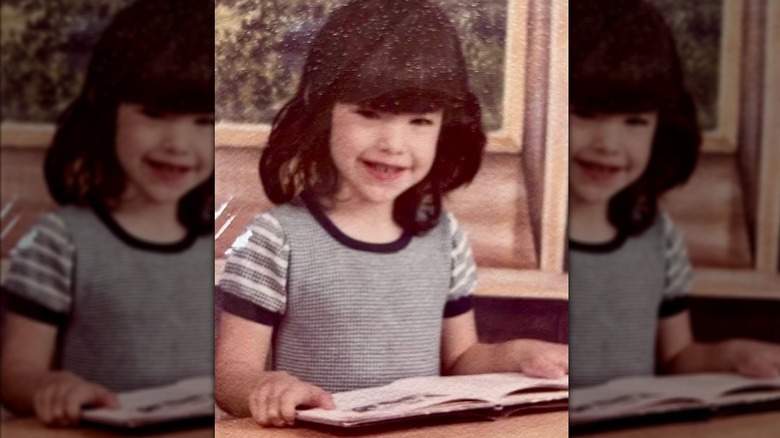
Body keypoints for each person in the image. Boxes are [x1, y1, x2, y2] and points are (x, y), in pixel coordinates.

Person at [215, 0, 568, 427]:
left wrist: (516, 353)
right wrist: (266, 387)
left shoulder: (445, 238)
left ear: (444, 128)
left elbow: (459, 359)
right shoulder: (275, 239)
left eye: (420, 122)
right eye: (370, 114)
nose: (393, 144)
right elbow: (230, 375)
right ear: (323, 113)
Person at [0, 0, 214, 426]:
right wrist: (50, 387)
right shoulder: (61, 239)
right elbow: (15, 374)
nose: (177, 144)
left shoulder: (220, 245)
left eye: (205, 121)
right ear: (107, 107)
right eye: (154, 114)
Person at [568, 0, 780, 389]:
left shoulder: (658, 236)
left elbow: (676, 356)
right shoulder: (540, 245)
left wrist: (734, 353)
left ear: (662, 128)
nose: (608, 144)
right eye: (585, 113)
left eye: (635, 121)